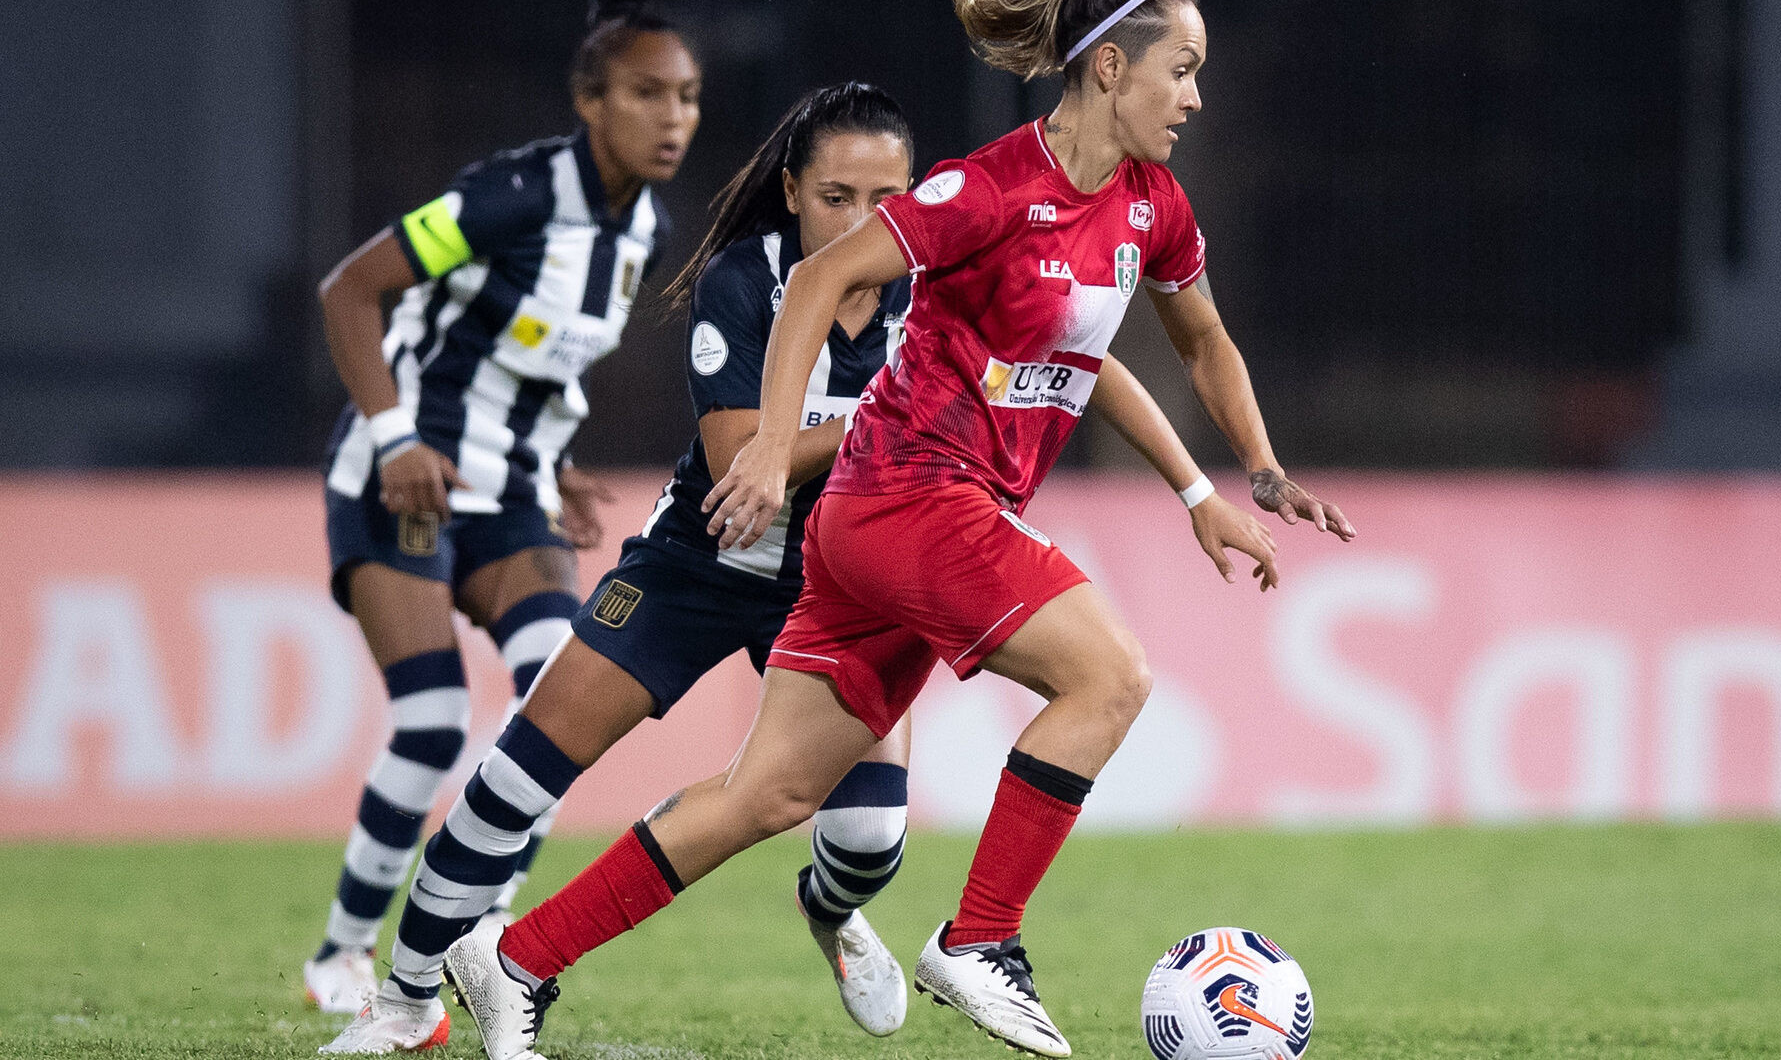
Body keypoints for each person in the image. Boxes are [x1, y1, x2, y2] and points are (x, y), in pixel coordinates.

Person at [441, 0, 1353, 1060]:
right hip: (910, 496)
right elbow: (819, 277)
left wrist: (1240, 476)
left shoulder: (1149, 206)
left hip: (889, 528)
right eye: (1183, 69)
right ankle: (980, 940)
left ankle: (514, 956)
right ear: (1110, 66)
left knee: (765, 794)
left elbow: (1199, 338)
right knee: (1109, 674)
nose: (1197, 97)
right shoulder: (986, 189)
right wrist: (773, 443)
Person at [321, 79, 1244, 1055]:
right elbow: (736, 460)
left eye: (885, 198)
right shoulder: (743, 279)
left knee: (864, 843)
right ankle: (403, 1002)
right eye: (836, 196)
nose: (861, 220)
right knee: (514, 778)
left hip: (836, 575)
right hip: (700, 565)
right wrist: (896, 413)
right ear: (794, 191)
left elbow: (1080, 358)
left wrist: (1197, 486)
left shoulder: (943, 269)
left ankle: (832, 912)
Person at [302, 0, 700, 1021]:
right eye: (648, 94)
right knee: (432, 719)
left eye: (688, 96)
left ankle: (476, 925)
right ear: (591, 101)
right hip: (407, 471)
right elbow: (351, 289)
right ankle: (343, 949)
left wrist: (556, 457)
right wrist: (394, 435)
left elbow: (543, 363)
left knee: (551, 703)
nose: (674, 118)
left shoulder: (643, 230)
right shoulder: (506, 198)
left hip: (513, 483)